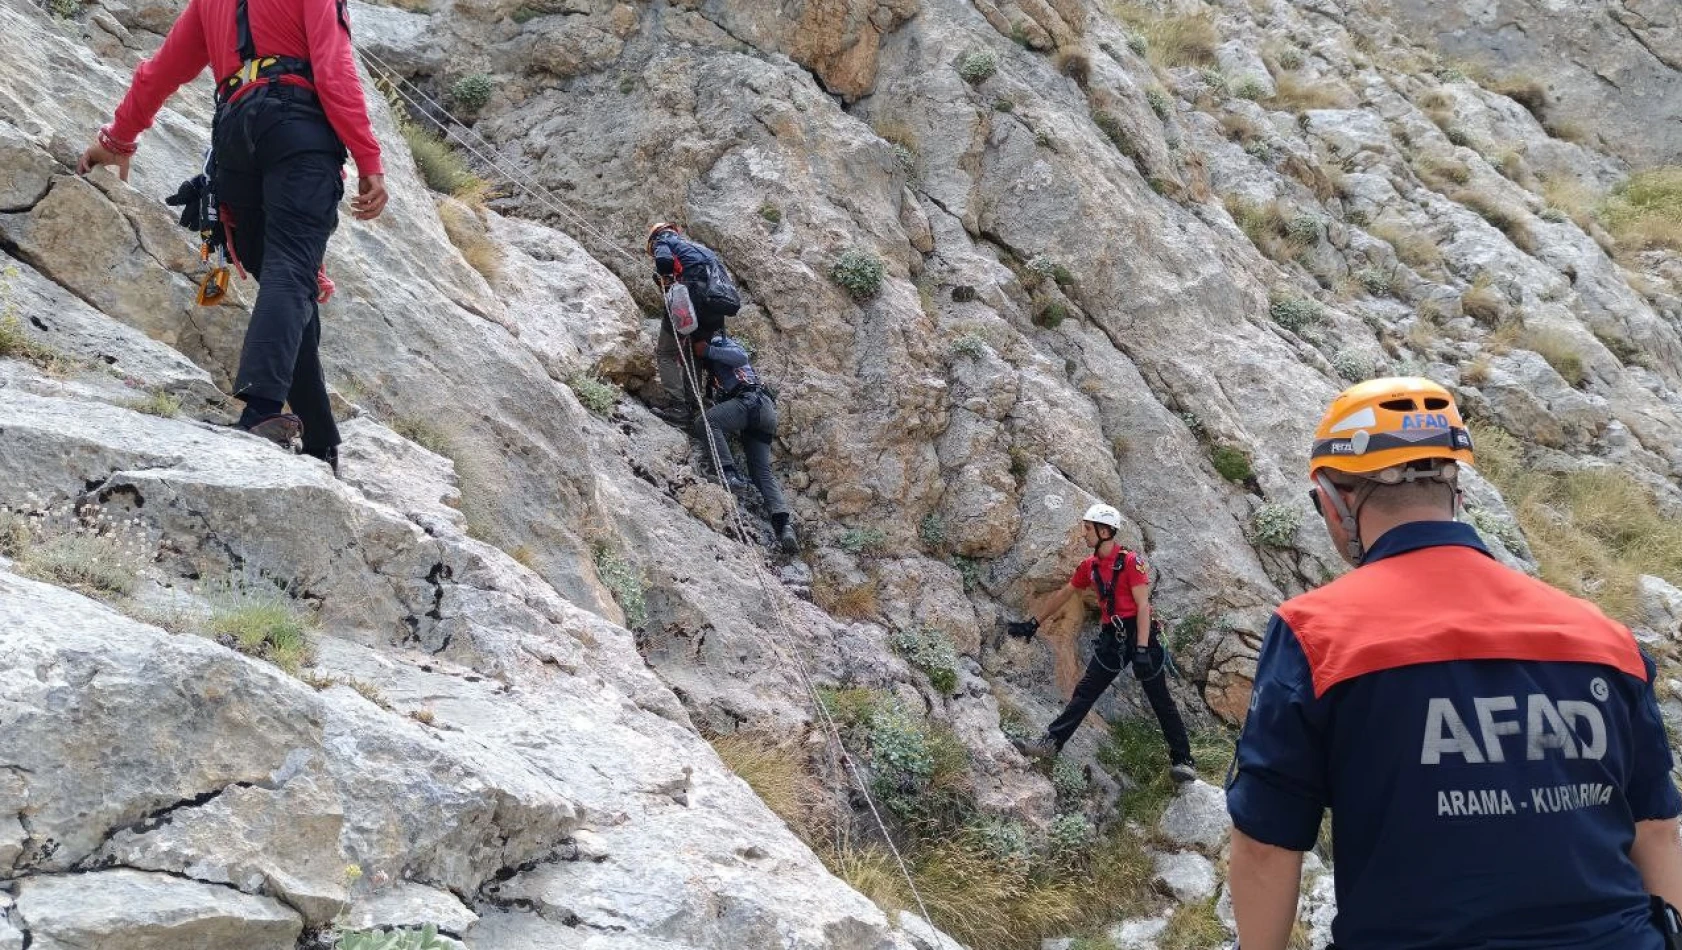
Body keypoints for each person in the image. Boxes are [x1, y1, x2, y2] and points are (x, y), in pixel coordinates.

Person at [1226, 376, 1682, 950]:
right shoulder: (1601, 633)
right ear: (1456, 489)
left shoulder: (1318, 635)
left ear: (1335, 500)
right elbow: (1658, 828)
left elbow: (1267, 845)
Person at [78, 0, 388, 474]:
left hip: (235, 139)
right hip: (297, 131)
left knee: (290, 282)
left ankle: (320, 439)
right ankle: (263, 410)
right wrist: (369, 161)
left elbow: (159, 73)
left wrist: (118, 138)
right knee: (292, 269)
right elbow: (334, 69)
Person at [1006, 502, 1197, 782]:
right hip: (1113, 637)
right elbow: (1065, 593)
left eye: (1087, 528)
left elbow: (1143, 606)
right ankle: (1050, 744)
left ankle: (1183, 760)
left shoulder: (1131, 562)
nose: (1083, 533)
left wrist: (1142, 648)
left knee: (1160, 699)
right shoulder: (1090, 566)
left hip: (1141, 633)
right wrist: (1033, 623)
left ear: (1105, 531)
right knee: (1085, 692)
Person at [689, 330, 797, 554]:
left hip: (750, 402)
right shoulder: (717, 365)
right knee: (760, 470)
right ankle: (784, 525)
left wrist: (708, 349)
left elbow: (741, 358)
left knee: (707, 422)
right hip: (764, 412)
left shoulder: (722, 342)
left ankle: (728, 473)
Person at [647, 223, 739, 421]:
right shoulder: (702, 250)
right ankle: (696, 406)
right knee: (695, 352)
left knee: (666, 352)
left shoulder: (663, 240)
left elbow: (663, 261)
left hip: (690, 301)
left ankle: (679, 407)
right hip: (714, 309)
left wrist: (666, 277)